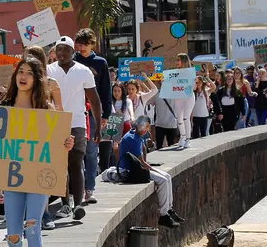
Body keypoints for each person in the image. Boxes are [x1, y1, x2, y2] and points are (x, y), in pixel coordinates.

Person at [0, 58, 75, 247]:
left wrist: (66, 144)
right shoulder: (3, 108)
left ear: (37, 79)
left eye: (29, 73)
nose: (23, 76)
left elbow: (58, 143)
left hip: (39, 177)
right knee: (14, 234)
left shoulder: (47, 110)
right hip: (13, 179)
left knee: (33, 225)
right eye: (20, 72)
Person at [46, 37, 99, 222]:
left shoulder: (83, 71)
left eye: (65, 49)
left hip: (77, 123)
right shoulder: (48, 71)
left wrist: (98, 126)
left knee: (76, 163)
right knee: (61, 166)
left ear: (72, 51)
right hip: (54, 123)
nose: (61, 53)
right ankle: (65, 203)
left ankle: (77, 205)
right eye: (58, 49)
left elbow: (94, 99)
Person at [116, 116, 183, 228]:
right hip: (130, 170)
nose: (145, 129)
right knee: (162, 180)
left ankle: (169, 209)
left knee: (167, 176)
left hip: (137, 167)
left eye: (147, 127)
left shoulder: (137, 134)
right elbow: (142, 162)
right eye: (144, 126)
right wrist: (151, 168)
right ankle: (163, 214)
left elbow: (142, 152)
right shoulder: (133, 138)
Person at [74, 29, 111, 205]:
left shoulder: (100, 63)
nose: (80, 47)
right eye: (78, 43)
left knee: (91, 151)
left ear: (91, 44)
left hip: (93, 113)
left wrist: (106, 115)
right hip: (75, 111)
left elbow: (105, 91)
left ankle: (90, 189)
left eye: (84, 44)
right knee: (76, 153)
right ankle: (78, 190)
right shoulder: (72, 61)